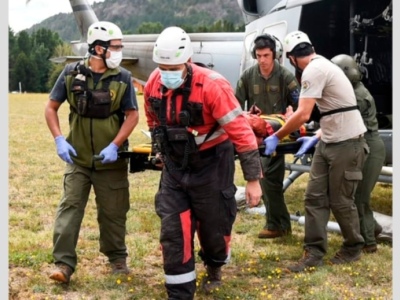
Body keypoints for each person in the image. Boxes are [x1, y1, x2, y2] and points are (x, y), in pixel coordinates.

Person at [144, 26, 262, 298]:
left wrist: (253, 180)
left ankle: (215, 266)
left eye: (172, 66)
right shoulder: (153, 83)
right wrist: (159, 149)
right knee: (174, 229)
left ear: (187, 61)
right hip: (175, 167)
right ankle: (180, 292)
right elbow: (152, 119)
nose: (166, 72)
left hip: (212, 163)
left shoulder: (212, 85)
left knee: (214, 226)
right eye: (162, 66)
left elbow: (242, 133)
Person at [263, 31, 368, 272]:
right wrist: (317, 135)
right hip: (329, 140)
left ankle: (353, 246)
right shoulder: (323, 66)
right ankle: (313, 251)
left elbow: (303, 114)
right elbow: (337, 107)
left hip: (347, 142)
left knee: (341, 201)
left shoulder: (313, 70)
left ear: (291, 57)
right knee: (314, 197)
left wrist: (276, 136)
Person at [44, 21, 139, 284]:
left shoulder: (123, 78)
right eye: (116, 47)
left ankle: (117, 260)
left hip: (111, 161)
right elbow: (50, 108)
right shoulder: (70, 73)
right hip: (78, 159)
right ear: (98, 48)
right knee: (70, 208)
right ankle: (63, 265)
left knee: (113, 211)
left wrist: (116, 145)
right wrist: (59, 139)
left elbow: (132, 115)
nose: (120, 51)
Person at [235, 33, 300, 239]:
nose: (262, 60)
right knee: (267, 179)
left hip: (279, 135)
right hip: (256, 135)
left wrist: (291, 117)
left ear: (275, 55)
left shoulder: (285, 77)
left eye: (266, 55)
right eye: (259, 55)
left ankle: (277, 224)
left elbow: (301, 105)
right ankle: (278, 224)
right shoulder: (247, 76)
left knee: (269, 178)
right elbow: (235, 105)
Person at [331, 54, 386, 253]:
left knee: (359, 198)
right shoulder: (354, 90)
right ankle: (374, 229)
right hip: (366, 144)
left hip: (369, 146)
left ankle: (369, 243)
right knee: (357, 195)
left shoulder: (356, 96)